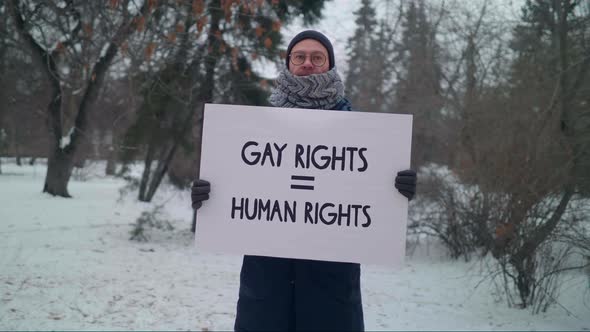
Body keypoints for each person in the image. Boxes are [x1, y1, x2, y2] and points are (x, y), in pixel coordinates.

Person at [191, 30, 417, 331]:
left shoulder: (359, 131)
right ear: (288, 64)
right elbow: (237, 188)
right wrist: (208, 194)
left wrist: (398, 187)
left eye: (317, 57)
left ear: (330, 65)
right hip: (265, 286)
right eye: (299, 57)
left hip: (332, 289)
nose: (307, 63)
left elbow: (371, 198)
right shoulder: (255, 128)